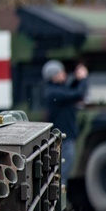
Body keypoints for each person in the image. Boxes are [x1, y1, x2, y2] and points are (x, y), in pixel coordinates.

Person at [41, 59, 89, 187]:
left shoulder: (56, 90)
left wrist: (78, 79)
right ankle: (59, 204)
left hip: (65, 138)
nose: (64, 74)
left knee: (63, 173)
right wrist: (83, 79)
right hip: (63, 140)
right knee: (62, 174)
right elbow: (77, 94)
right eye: (61, 72)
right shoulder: (53, 92)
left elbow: (70, 91)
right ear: (54, 75)